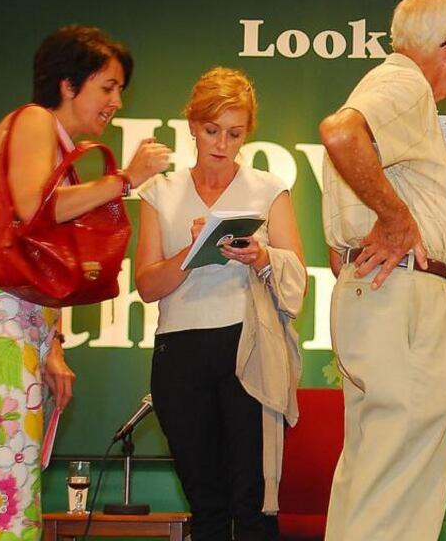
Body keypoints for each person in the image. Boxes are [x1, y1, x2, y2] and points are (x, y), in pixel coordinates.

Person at [0, 25, 170, 540]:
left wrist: (53, 345)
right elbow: (33, 212)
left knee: (10, 489)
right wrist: (126, 179)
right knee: (9, 494)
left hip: (17, 316)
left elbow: (45, 261)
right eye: (107, 87)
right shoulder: (33, 121)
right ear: (69, 83)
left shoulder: (58, 144)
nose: (116, 101)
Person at [318, 0, 446, 541]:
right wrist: (396, 220)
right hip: (403, 293)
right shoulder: (405, 82)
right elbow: (340, 133)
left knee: (374, 472)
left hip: (380, 292)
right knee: (401, 480)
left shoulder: (392, 86)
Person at [134, 67, 305, 541]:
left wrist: (261, 256)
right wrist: (191, 254)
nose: (221, 143)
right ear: (191, 124)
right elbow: (147, 285)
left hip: (247, 345)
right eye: (212, 130)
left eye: (234, 133)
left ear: (247, 133)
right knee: (205, 505)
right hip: (180, 353)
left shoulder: (268, 189)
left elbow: (297, 281)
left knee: (252, 505)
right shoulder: (159, 192)